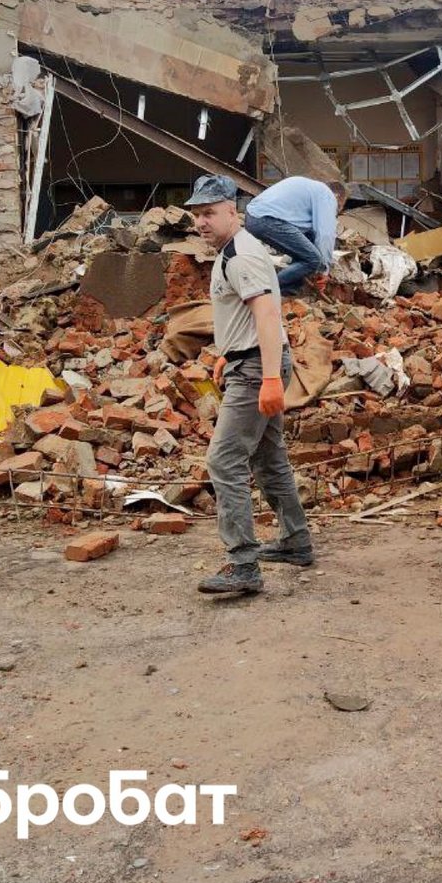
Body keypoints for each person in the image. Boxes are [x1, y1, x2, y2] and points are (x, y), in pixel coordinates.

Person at [187, 175, 312, 595]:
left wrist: (272, 377)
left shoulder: (241, 255)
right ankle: (296, 541)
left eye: (209, 213)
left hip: (259, 368)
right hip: (251, 361)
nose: (201, 222)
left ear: (232, 212)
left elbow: (268, 317)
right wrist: (228, 351)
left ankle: (243, 564)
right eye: (196, 215)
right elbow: (246, 314)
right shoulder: (231, 252)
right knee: (267, 459)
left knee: (224, 462)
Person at [243, 176, 347, 295]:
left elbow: (307, 238)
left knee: (307, 252)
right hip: (267, 219)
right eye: (338, 208)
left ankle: (287, 293)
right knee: (313, 259)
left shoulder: (311, 189)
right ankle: (266, 292)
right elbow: (325, 235)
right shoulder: (327, 195)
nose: (335, 212)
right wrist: (324, 270)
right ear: (338, 197)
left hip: (253, 216)